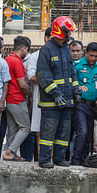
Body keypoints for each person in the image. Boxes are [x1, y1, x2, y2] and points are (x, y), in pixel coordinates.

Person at [36, 16, 79, 168]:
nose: (71, 35)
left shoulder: (65, 49)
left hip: (67, 100)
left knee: (64, 132)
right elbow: (43, 75)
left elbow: (71, 72)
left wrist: (76, 90)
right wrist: (56, 94)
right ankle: (45, 159)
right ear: (62, 32)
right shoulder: (47, 49)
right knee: (48, 132)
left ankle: (60, 157)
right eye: (69, 32)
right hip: (51, 101)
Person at [72, 42, 97, 165]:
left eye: (96, 56)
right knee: (82, 132)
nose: (93, 59)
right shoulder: (77, 66)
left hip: (93, 106)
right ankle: (75, 160)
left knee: (89, 135)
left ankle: (84, 160)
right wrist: (79, 87)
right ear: (86, 53)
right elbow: (71, 82)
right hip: (80, 104)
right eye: (91, 56)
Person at [2, 36, 32, 161]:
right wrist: (30, 95)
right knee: (25, 128)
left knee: (13, 129)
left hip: (8, 99)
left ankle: (9, 154)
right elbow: (22, 85)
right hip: (17, 98)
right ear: (24, 48)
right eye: (27, 50)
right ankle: (10, 151)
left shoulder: (7, 59)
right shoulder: (17, 61)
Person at [24, 28, 53, 162]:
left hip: (57, 101)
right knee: (39, 131)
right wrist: (50, 82)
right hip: (39, 99)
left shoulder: (64, 55)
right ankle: (43, 159)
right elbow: (31, 76)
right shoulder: (35, 56)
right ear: (46, 38)